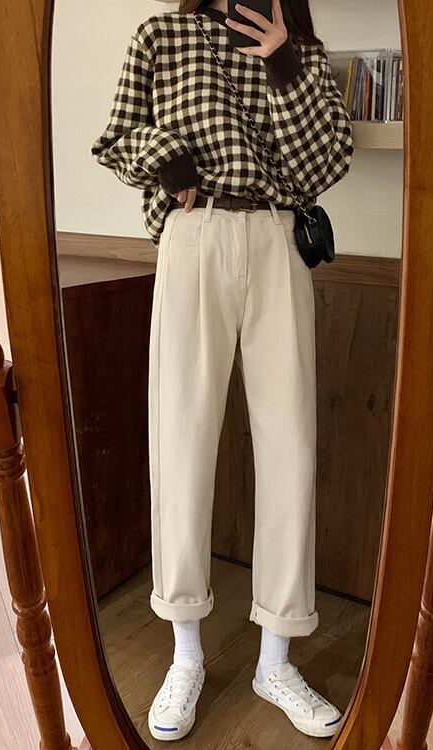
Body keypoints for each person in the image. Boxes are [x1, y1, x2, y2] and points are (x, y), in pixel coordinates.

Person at [92, 0, 353, 740]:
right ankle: (186, 653)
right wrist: (167, 162)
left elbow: (324, 164)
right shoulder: (162, 35)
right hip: (193, 236)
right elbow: (117, 136)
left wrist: (284, 66)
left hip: (277, 237)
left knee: (290, 447)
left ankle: (276, 658)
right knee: (180, 439)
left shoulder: (300, 51)